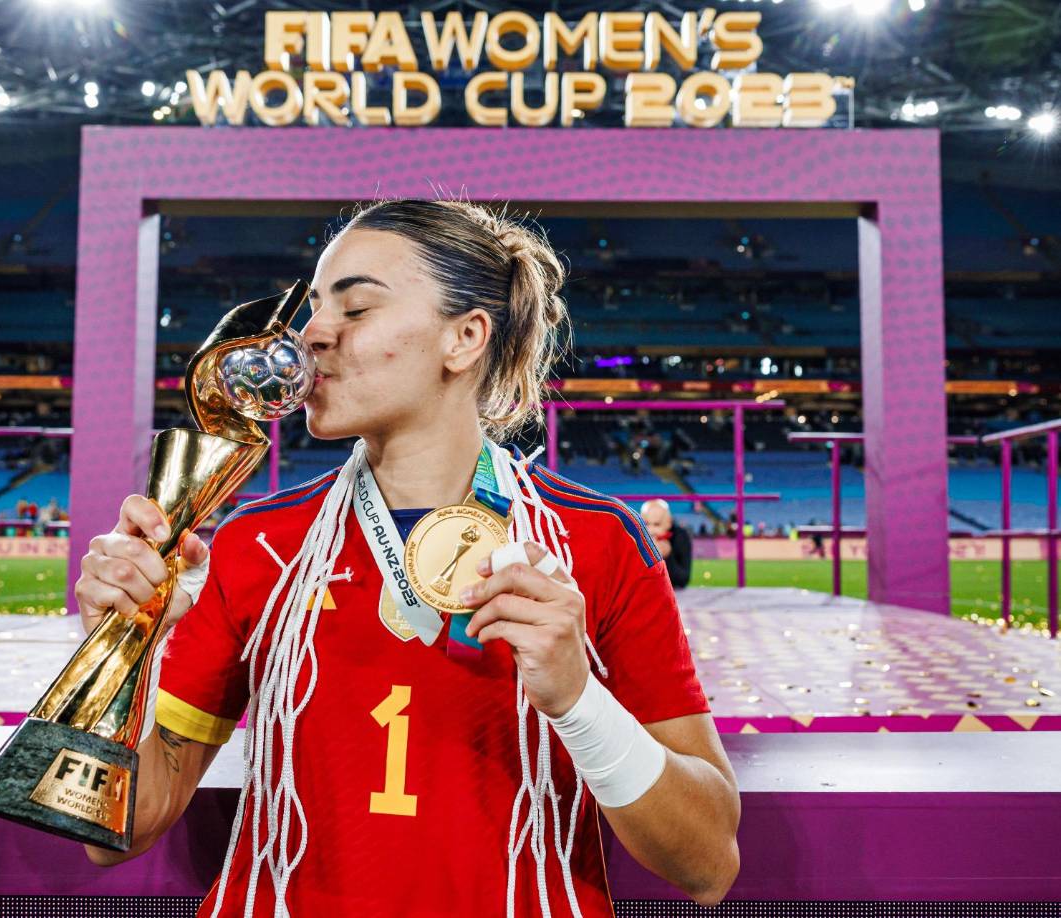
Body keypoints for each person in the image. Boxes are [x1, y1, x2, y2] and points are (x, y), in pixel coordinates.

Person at [74, 200, 739, 917]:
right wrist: (119, 650)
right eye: (313, 310)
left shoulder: (597, 542)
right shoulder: (255, 542)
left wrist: (579, 700)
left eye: (355, 308)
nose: (312, 335)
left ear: (465, 338)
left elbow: (708, 866)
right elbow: (112, 836)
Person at [639, 499, 693, 589]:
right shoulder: (635, 537)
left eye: (657, 524)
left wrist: (667, 556)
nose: (651, 530)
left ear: (669, 522)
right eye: (646, 524)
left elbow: (682, 580)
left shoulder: (680, 536)